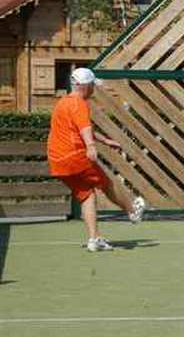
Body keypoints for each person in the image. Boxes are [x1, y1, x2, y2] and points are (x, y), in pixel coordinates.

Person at [47, 68, 146, 252]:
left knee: (87, 195)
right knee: (106, 184)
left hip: (57, 161)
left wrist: (104, 141)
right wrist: (91, 146)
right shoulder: (79, 103)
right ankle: (133, 212)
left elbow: (81, 128)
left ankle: (94, 239)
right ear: (84, 85)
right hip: (74, 157)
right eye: (92, 85)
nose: (94, 88)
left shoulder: (63, 102)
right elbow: (84, 127)